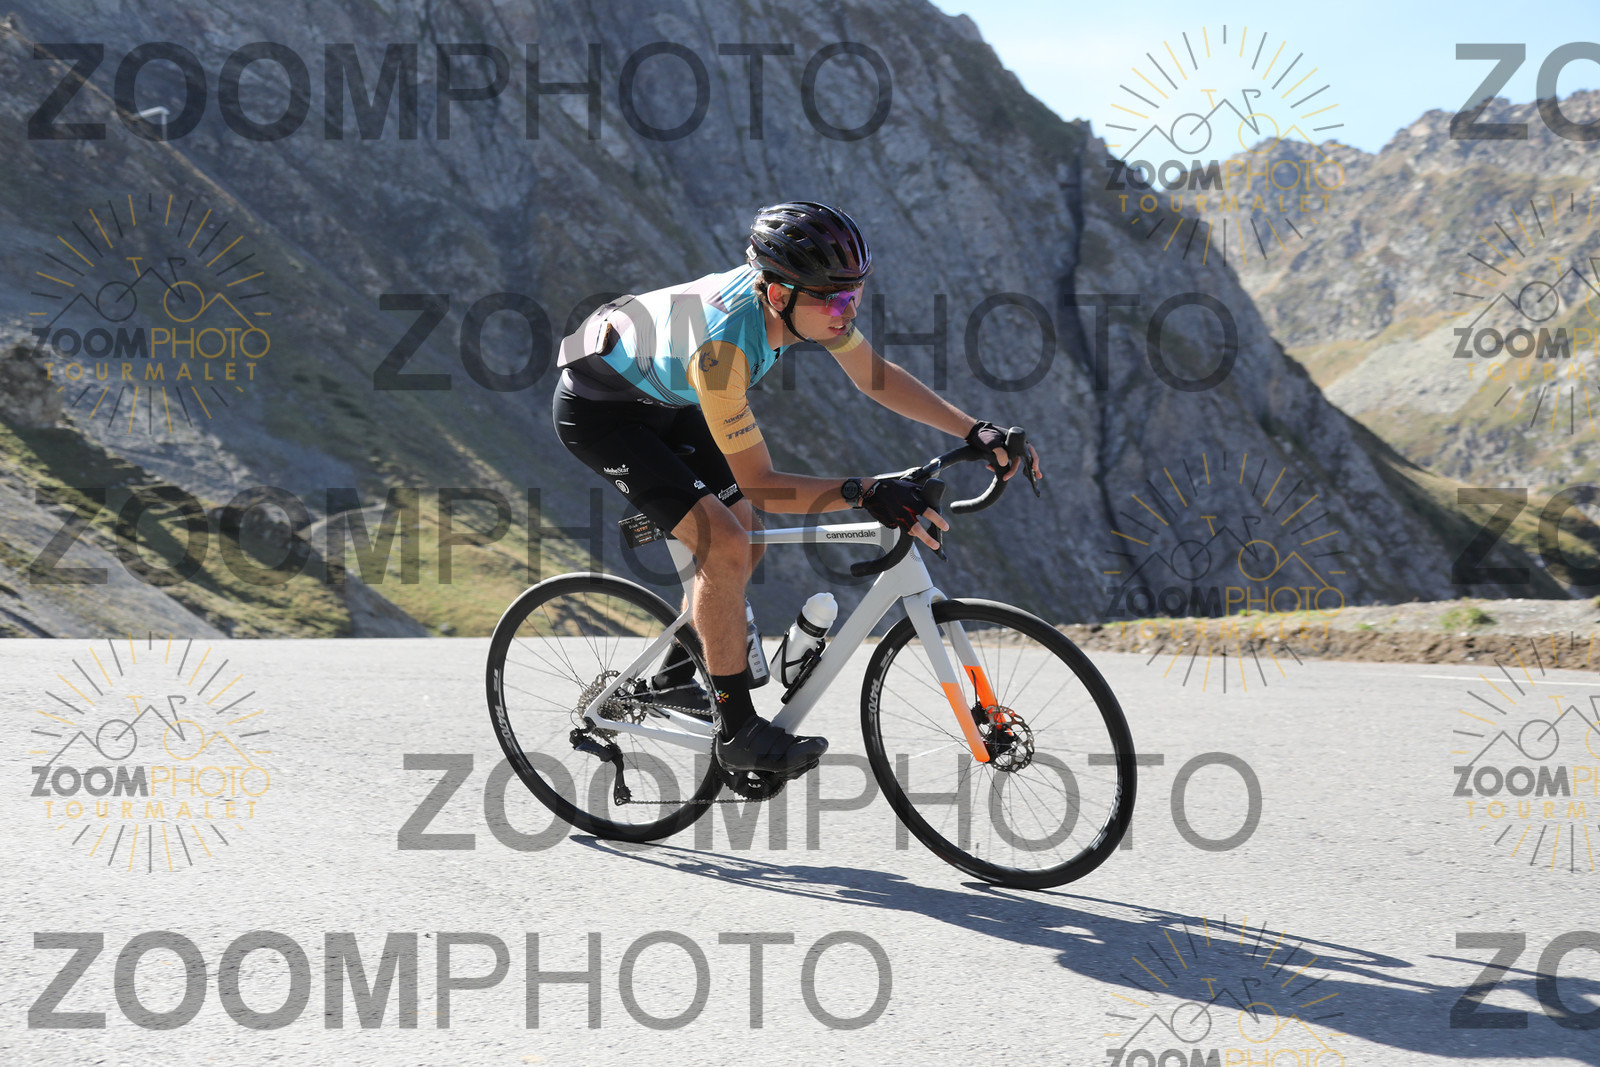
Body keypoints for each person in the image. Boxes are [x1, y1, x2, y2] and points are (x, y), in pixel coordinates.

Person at [552, 201, 1042, 777]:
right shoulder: (723, 352)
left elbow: (875, 376)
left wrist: (973, 430)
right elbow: (762, 485)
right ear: (778, 293)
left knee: (748, 542)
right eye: (833, 299)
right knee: (725, 545)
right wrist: (863, 492)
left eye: (855, 293)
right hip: (602, 414)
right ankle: (738, 733)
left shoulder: (806, 304)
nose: (847, 311)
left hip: (667, 393)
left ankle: (677, 676)